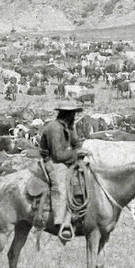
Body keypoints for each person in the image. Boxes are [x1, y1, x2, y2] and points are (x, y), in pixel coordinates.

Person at [39, 102, 89, 243]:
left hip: (68, 159)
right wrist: (75, 154)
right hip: (54, 162)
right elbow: (58, 155)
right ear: (66, 115)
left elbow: (76, 143)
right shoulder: (54, 128)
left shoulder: (68, 127)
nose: (74, 116)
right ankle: (60, 222)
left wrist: (79, 150)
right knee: (60, 187)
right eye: (72, 114)